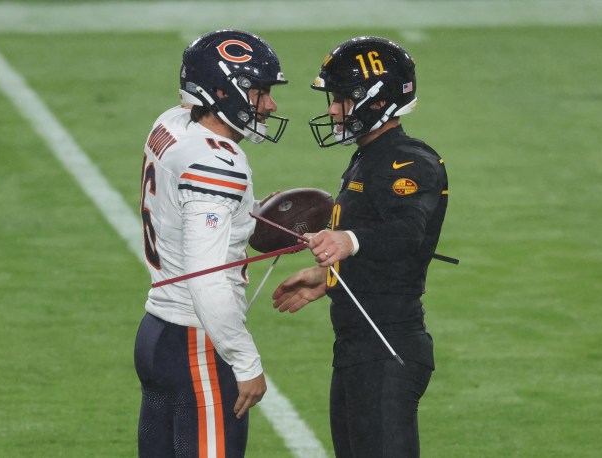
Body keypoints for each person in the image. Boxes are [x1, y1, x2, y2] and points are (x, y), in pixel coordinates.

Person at [272, 36, 449, 457]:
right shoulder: (368, 156)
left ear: (376, 100)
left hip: (387, 347)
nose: (333, 109)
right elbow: (378, 245)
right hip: (359, 344)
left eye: (342, 99)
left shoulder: (410, 161)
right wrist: (329, 276)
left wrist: (347, 240)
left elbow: (408, 232)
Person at [134, 29, 289, 457]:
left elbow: (186, 207)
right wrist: (245, 361)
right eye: (259, 92)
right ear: (222, 92)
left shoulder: (172, 122)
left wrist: (250, 213)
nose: (270, 104)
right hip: (195, 340)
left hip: (156, 331)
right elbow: (206, 278)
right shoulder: (216, 163)